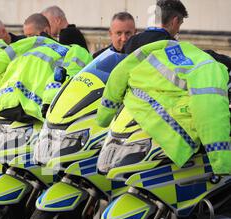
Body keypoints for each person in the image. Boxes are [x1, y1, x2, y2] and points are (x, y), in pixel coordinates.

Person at [98, 40, 230, 175]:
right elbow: (209, 113)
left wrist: (104, 116)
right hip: (165, 131)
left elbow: (120, 71)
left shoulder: (168, 46)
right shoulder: (211, 68)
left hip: (130, 113)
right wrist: (222, 164)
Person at [123, 0, 188, 54]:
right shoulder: (173, 46)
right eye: (179, 24)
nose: (178, 30)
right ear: (174, 21)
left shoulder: (132, 41)